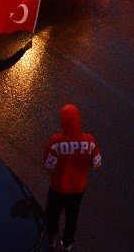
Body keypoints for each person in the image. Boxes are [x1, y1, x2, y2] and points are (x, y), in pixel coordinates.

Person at [43, 104, 102, 252]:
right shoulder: (89, 141)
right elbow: (97, 163)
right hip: (78, 188)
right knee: (72, 216)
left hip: (58, 187)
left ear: (62, 122)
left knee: (53, 214)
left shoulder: (56, 142)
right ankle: (67, 244)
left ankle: (50, 240)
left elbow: (48, 166)